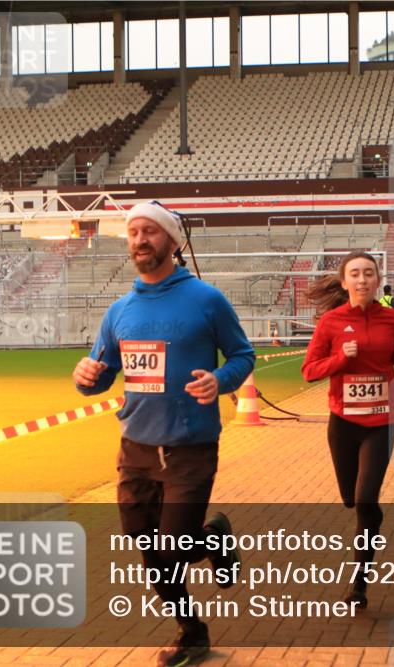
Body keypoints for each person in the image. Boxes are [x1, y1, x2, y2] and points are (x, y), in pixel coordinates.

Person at [73, 201, 254, 667]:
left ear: (172, 241)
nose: (140, 240)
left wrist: (221, 380)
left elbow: (242, 355)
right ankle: (191, 631)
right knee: (150, 551)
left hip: (190, 445)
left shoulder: (207, 300)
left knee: (173, 546)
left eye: (150, 231)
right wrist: (86, 375)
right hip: (135, 447)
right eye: (133, 232)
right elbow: (101, 373)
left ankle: (210, 536)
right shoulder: (119, 310)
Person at [302, 250, 394, 610]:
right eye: (355, 274)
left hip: (381, 421)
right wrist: (341, 358)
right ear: (344, 281)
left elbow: (393, 355)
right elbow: (310, 370)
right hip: (344, 422)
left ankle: (359, 584)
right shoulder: (330, 322)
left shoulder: (393, 318)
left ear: (378, 279)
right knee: (351, 498)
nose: (363, 279)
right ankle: (370, 511)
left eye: (369, 273)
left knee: (366, 500)